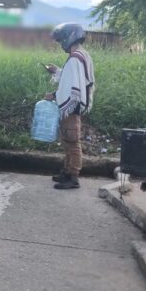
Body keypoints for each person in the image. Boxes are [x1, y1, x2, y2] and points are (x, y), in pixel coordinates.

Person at [44, 23, 96, 190]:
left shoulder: (75, 59)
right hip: (74, 104)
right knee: (68, 140)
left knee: (72, 142)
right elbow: (71, 79)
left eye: (61, 41)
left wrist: (53, 95)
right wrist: (57, 71)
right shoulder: (81, 55)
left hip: (71, 107)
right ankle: (67, 171)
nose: (61, 45)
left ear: (69, 38)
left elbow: (72, 87)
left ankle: (73, 177)